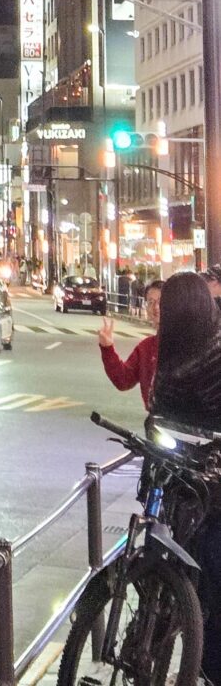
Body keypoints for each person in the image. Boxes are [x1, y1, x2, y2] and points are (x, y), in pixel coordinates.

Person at [148, 271, 221, 686]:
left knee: (213, 574)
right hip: (182, 480)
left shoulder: (214, 351)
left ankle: (209, 668)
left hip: (212, 491)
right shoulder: (172, 350)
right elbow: (160, 411)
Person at [97, 280, 161, 408]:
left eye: (161, 301)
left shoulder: (187, 343)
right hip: (156, 423)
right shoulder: (146, 348)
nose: (156, 307)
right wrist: (107, 348)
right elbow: (124, 380)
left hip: (185, 424)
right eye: (151, 302)